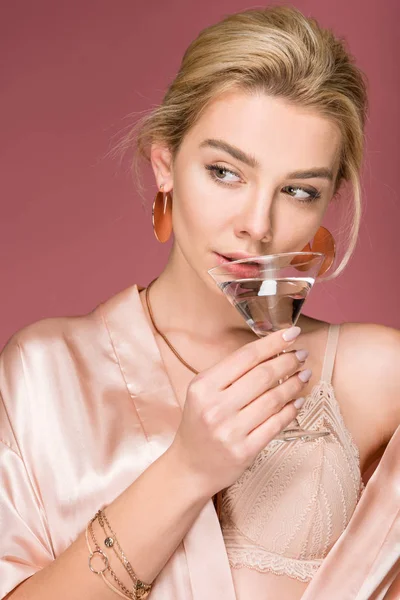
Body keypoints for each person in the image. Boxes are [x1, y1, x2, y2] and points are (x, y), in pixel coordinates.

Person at [1, 6, 399, 600]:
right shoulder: (48, 370)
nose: (257, 225)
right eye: (225, 172)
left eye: (298, 191)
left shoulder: (373, 376)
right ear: (165, 163)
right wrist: (189, 468)